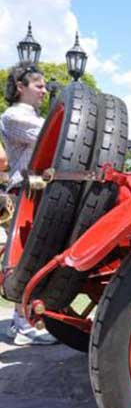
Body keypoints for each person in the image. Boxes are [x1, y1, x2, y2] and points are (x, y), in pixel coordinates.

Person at [0, 62, 57, 346]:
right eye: (39, 86)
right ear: (20, 87)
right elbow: (54, 136)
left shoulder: (31, 115)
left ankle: (18, 321)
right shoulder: (15, 116)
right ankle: (23, 324)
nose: (44, 91)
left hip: (34, 191)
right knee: (25, 258)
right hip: (25, 192)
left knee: (28, 256)